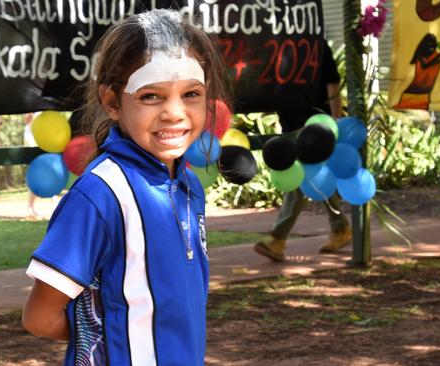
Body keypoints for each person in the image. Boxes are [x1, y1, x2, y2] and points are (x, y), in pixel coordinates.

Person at [21, 9, 231, 365]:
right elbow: (39, 318)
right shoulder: (100, 194)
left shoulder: (189, 186)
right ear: (112, 102)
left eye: (191, 94)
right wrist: (115, 340)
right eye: (151, 96)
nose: (174, 113)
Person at [254, 41, 351, 262]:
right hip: (290, 123)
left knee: (300, 178)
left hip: (316, 122)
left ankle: (278, 238)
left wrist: (337, 120)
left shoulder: (316, 44)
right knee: (316, 177)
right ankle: (341, 228)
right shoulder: (272, 44)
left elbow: (332, 81)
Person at [22, 112, 41, 218]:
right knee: (34, 175)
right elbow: (27, 119)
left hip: (42, 141)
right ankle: (30, 207)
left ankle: (31, 207)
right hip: (32, 139)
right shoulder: (33, 109)